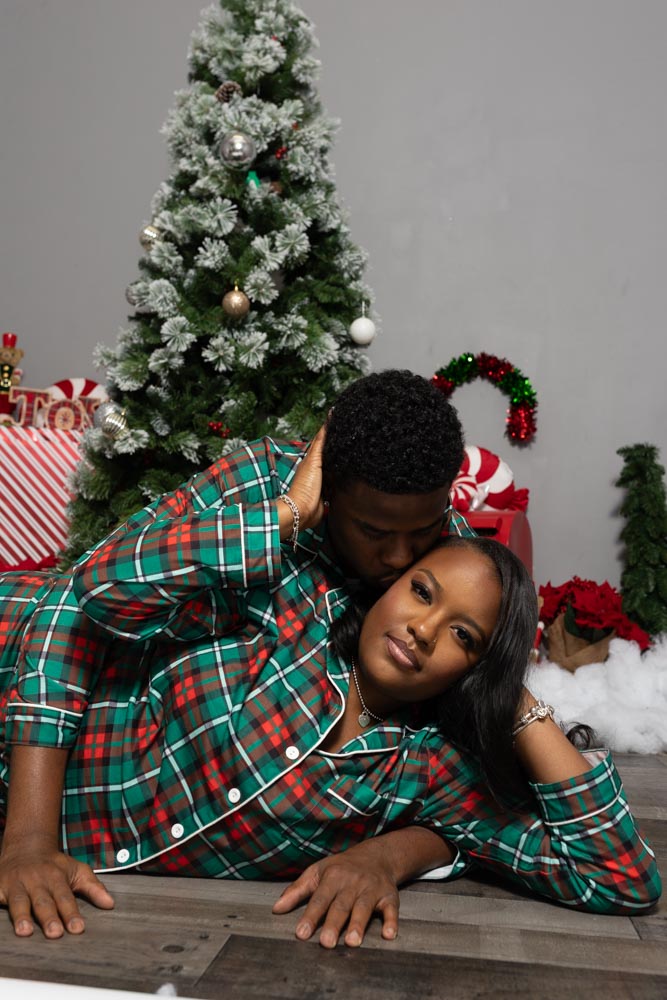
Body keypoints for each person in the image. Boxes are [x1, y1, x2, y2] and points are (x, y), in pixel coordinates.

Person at [0, 530, 660, 948]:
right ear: (388, 583)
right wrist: (28, 839)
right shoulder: (290, 602)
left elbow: (620, 879)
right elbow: (78, 600)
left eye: (463, 635)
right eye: (421, 592)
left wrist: (510, 695)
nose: (424, 629)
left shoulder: (433, 772)